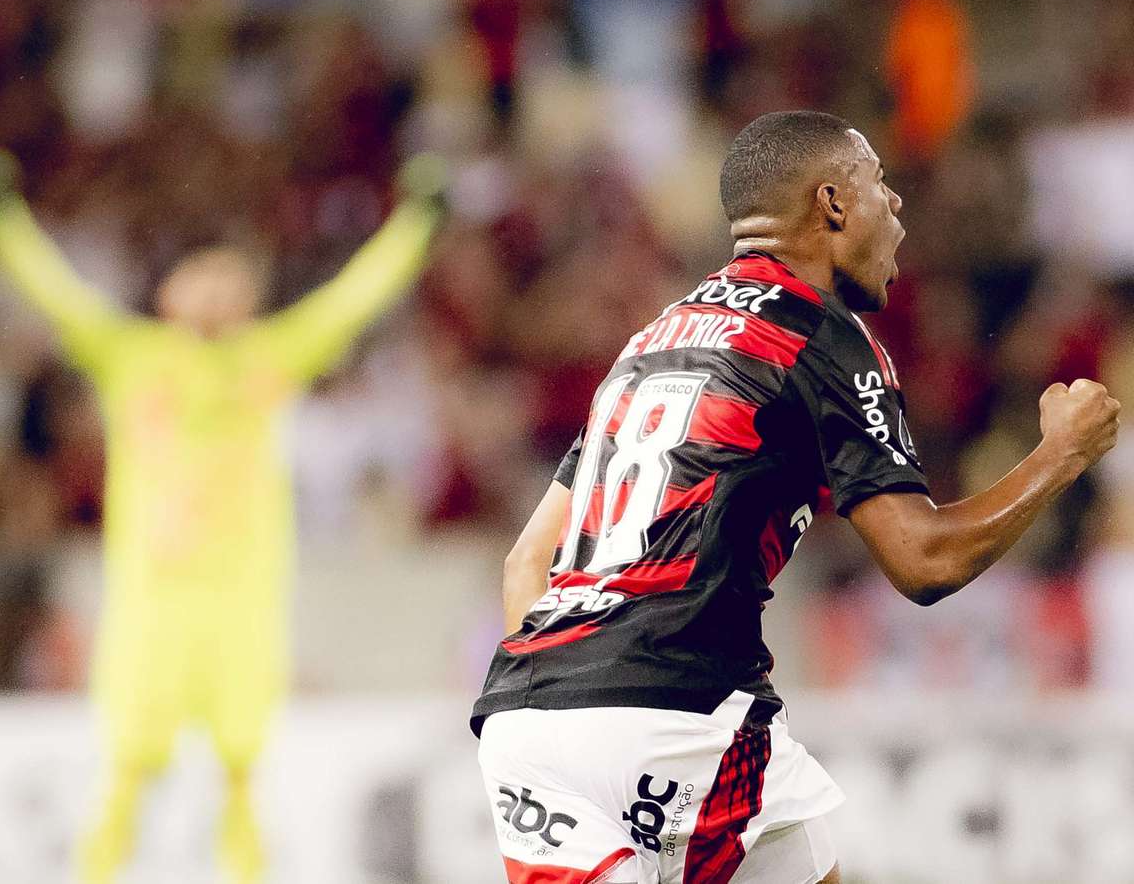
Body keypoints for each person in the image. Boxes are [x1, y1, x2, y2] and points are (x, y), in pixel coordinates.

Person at [470, 111, 1120, 884]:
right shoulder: (817, 333)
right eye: (880, 183)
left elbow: (526, 563)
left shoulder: (651, 343)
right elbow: (925, 562)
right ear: (833, 203)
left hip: (530, 724)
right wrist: (1060, 455)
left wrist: (570, 714)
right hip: (681, 713)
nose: (897, 207)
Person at [0, 150, 447, 884]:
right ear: (169, 291)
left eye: (234, 279)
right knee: (128, 766)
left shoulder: (273, 354)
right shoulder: (129, 354)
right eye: (205, 277)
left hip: (241, 600)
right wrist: (1, 217)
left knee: (242, 770)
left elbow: (355, 297)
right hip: (153, 599)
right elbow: (53, 291)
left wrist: (417, 222)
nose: (221, 292)